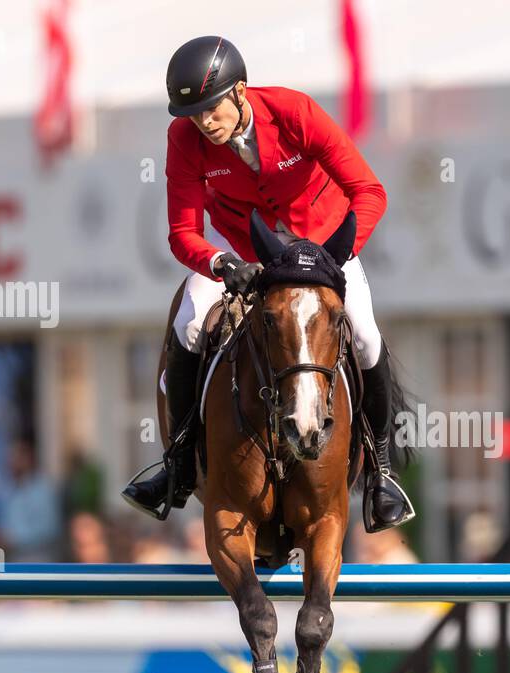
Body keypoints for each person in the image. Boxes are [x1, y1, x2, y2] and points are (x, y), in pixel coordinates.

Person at [121, 36, 414, 533]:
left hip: (322, 244)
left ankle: (381, 474)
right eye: (192, 114)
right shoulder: (185, 140)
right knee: (190, 323)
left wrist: (333, 255)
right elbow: (183, 233)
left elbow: (368, 191)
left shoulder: (295, 112)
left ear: (239, 92)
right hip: (241, 246)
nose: (203, 123)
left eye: (211, 109)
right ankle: (177, 462)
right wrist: (218, 262)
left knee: (363, 335)